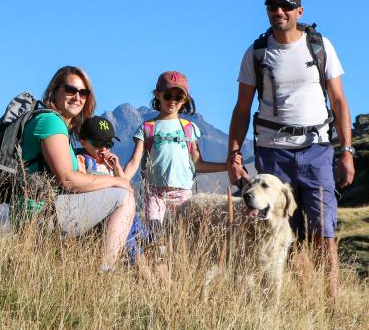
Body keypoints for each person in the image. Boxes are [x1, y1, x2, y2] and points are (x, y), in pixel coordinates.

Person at [227, 0, 355, 300]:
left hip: (317, 150)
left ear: (299, 11)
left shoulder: (320, 46)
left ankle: (332, 307)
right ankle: (301, 302)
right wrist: (234, 155)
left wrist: (347, 152)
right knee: (283, 232)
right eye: (273, 7)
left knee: (324, 233)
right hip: (273, 154)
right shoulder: (256, 53)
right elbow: (242, 108)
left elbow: (338, 101)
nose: (279, 12)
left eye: (286, 7)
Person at [15, 66, 136, 270]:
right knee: (124, 197)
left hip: (43, 211)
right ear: (55, 91)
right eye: (70, 90)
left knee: (113, 191)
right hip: (40, 216)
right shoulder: (51, 122)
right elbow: (68, 179)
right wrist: (118, 181)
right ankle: (106, 270)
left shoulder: (56, 124)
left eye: (83, 92)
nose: (77, 97)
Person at [124, 71, 227, 231]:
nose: (173, 101)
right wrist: (121, 181)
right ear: (157, 94)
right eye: (168, 95)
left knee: (182, 234)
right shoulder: (147, 128)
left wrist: (227, 166)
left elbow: (198, 164)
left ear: (184, 100)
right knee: (153, 233)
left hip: (182, 192)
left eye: (178, 97)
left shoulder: (189, 129)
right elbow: (134, 161)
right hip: (153, 192)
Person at [74, 115, 151, 263]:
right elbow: (82, 184)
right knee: (135, 250)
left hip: (125, 215)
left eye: (108, 144)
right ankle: (149, 279)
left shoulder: (109, 164)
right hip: (105, 213)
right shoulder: (83, 160)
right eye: (98, 143)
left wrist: (116, 168)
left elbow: (126, 187)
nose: (104, 149)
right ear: (83, 142)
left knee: (145, 245)